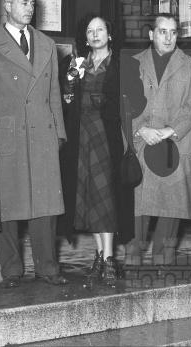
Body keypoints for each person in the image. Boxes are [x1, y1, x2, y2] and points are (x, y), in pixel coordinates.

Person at [0, 0, 68, 287]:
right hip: (8, 133)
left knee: (46, 205)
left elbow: (54, 92)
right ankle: (12, 271)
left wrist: (59, 134)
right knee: (9, 206)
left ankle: (48, 268)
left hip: (42, 133)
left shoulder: (46, 44)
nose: (30, 8)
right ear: (8, 5)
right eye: (24, 3)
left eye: (32, 3)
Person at [58, 15, 145, 287]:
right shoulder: (76, 63)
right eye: (90, 31)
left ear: (110, 35)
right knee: (89, 199)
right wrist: (69, 85)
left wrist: (110, 102)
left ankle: (108, 259)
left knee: (105, 196)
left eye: (100, 30)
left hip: (108, 137)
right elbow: (66, 100)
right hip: (82, 138)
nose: (95, 34)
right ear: (85, 38)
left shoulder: (123, 64)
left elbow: (138, 101)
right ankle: (100, 256)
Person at [126, 14, 191, 265]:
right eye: (162, 31)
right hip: (142, 141)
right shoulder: (133, 63)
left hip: (175, 143)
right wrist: (140, 129)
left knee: (171, 206)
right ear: (151, 34)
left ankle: (163, 259)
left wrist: (170, 130)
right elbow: (124, 104)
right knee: (138, 204)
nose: (168, 37)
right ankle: (133, 257)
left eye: (173, 32)